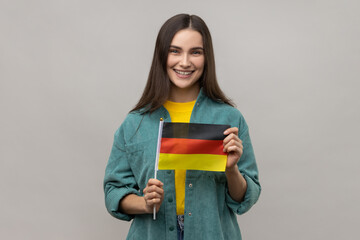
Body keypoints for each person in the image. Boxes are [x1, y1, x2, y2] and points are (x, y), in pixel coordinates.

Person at [104, 14, 261, 240]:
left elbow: (245, 199)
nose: (185, 62)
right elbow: (113, 191)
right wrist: (144, 203)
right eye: (175, 50)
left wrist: (231, 169)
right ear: (161, 55)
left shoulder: (230, 119)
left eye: (195, 52)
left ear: (207, 58)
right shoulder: (135, 123)